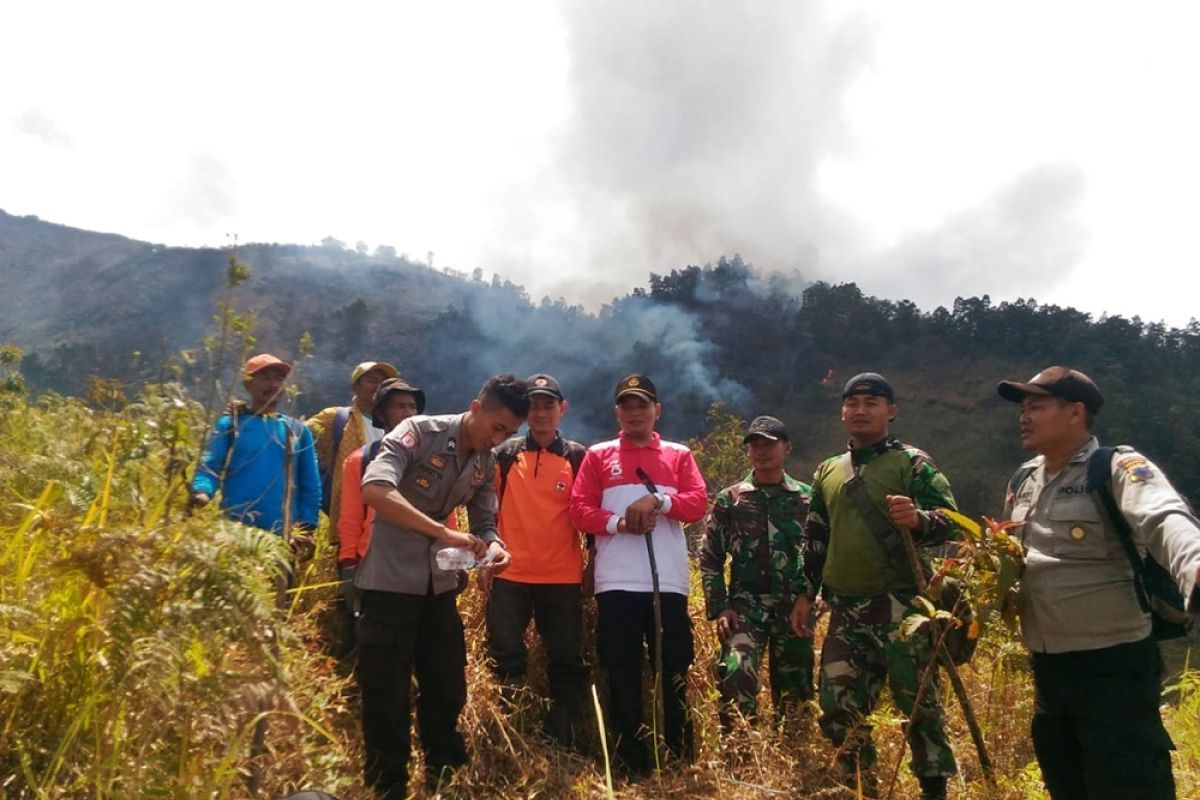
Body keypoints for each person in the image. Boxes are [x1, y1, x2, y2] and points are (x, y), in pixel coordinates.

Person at [997, 366, 1200, 800]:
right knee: (1067, 783)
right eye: (1023, 409)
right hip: (1050, 672)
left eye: (1036, 407)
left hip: (1114, 668)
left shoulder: (1117, 467)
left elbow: (1164, 517)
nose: (1024, 417)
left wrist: (1194, 563)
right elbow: (1010, 558)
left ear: (1075, 413)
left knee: (1128, 784)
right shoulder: (1023, 479)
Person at [354, 373, 529, 799]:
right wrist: (443, 532)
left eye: (508, 433)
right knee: (386, 693)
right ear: (475, 408)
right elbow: (375, 489)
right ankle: (388, 784)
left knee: (447, 685)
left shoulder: (484, 462)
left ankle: (444, 778)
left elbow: (485, 522)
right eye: (496, 427)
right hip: (389, 585)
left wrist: (495, 548)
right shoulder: (417, 432)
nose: (498, 438)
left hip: (439, 588)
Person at [789, 372, 958, 800]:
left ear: (892, 411)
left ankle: (933, 790)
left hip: (902, 607)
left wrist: (919, 519)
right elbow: (814, 537)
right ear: (843, 411)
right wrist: (805, 593)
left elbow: (950, 522)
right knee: (838, 706)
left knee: (919, 705)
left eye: (872, 401)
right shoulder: (828, 470)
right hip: (844, 609)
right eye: (853, 402)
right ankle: (857, 785)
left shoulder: (912, 463)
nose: (861, 409)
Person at [569, 374, 708, 775]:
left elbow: (697, 504)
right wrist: (619, 524)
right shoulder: (598, 455)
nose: (635, 413)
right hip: (616, 583)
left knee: (674, 667)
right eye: (627, 406)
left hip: (668, 583)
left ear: (657, 411)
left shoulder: (679, 455)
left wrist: (660, 500)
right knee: (622, 670)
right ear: (617, 412)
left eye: (642, 405)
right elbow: (579, 511)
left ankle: (680, 759)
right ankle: (631, 761)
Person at [482, 373, 589, 745]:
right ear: (525, 411)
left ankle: (563, 740)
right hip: (510, 573)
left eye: (549, 404)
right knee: (505, 652)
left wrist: (593, 568)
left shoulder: (577, 457)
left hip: (562, 578)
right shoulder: (505, 454)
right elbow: (486, 511)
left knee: (565, 659)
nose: (541, 412)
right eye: (534, 405)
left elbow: (588, 516)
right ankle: (511, 735)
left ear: (563, 409)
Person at [700, 415, 813, 730]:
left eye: (769, 445)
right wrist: (720, 606)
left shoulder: (807, 498)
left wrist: (809, 595)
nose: (762, 451)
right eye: (755, 446)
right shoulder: (732, 499)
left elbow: (820, 552)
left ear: (786, 447)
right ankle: (740, 754)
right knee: (736, 671)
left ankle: (797, 759)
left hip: (794, 607)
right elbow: (710, 556)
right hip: (745, 606)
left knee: (797, 688)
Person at [191, 353, 320, 559]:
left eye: (279, 378)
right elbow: (210, 466)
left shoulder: (297, 430)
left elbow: (310, 484)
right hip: (235, 534)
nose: (273, 384)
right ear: (248, 384)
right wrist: (202, 491)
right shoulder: (231, 425)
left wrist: (307, 526)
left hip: (283, 536)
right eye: (265, 377)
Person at [335, 377, 426, 606]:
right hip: (375, 568)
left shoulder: (432, 459)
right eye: (400, 406)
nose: (408, 413)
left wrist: (451, 561)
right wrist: (348, 563)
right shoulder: (361, 460)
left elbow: (445, 513)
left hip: (425, 568)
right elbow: (351, 518)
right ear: (382, 414)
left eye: (412, 407)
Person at [306, 360, 400, 539]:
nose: (378, 386)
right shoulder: (336, 418)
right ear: (355, 388)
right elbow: (297, 437)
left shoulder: (399, 424)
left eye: (384, 383)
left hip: (391, 516)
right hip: (352, 516)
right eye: (372, 380)